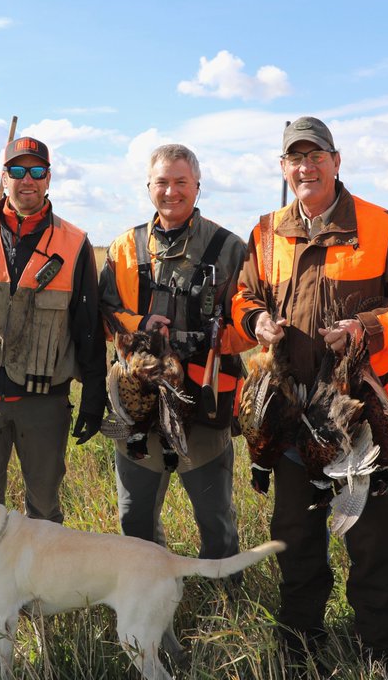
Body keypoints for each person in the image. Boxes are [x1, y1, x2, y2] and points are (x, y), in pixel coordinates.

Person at [232, 116, 388, 668]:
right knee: (295, 537)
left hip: (361, 416)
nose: (306, 167)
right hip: (291, 418)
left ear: (336, 160)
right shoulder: (266, 231)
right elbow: (243, 296)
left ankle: (381, 650)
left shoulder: (381, 227)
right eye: (294, 158)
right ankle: (300, 646)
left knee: (372, 543)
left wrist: (366, 329)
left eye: (315, 155)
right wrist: (256, 321)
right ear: (283, 168)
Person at [0, 135, 106, 616]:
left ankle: (43, 596)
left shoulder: (74, 242)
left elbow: (88, 329)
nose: (27, 181)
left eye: (37, 172)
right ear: (3, 176)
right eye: (18, 171)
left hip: (44, 403)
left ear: (48, 178)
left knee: (44, 508)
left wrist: (93, 396)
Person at [99, 143, 254, 562]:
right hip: (140, 406)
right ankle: (148, 603)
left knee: (215, 518)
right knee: (135, 520)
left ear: (197, 186)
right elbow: (103, 313)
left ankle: (229, 605)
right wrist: (138, 326)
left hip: (204, 405)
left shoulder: (229, 248)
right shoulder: (123, 248)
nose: (171, 192)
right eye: (162, 182)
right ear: (148, 187)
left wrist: (219, 338)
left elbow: (251, 319)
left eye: (181, 182)